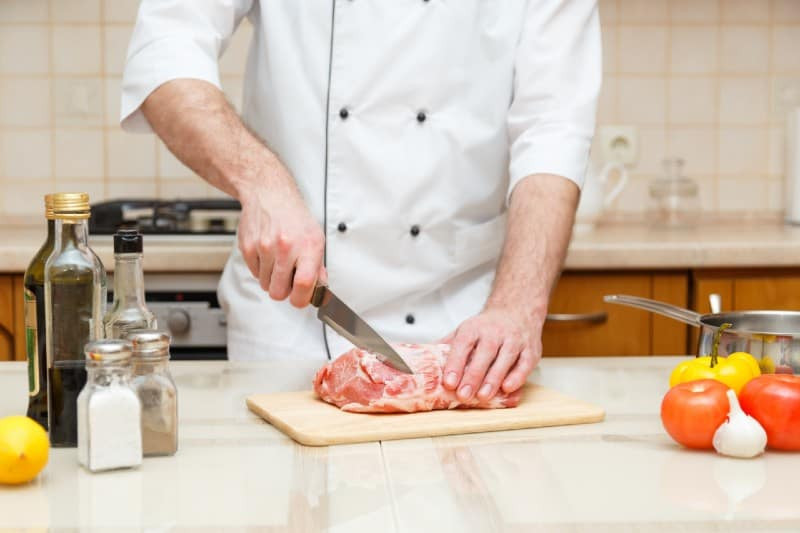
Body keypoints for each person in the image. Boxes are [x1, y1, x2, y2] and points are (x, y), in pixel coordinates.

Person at [121, 1, 601, 403]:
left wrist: (517, 307)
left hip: (467, 337)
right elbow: (166, 49)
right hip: (294, 323)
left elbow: (554, 127)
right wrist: (262, 183)